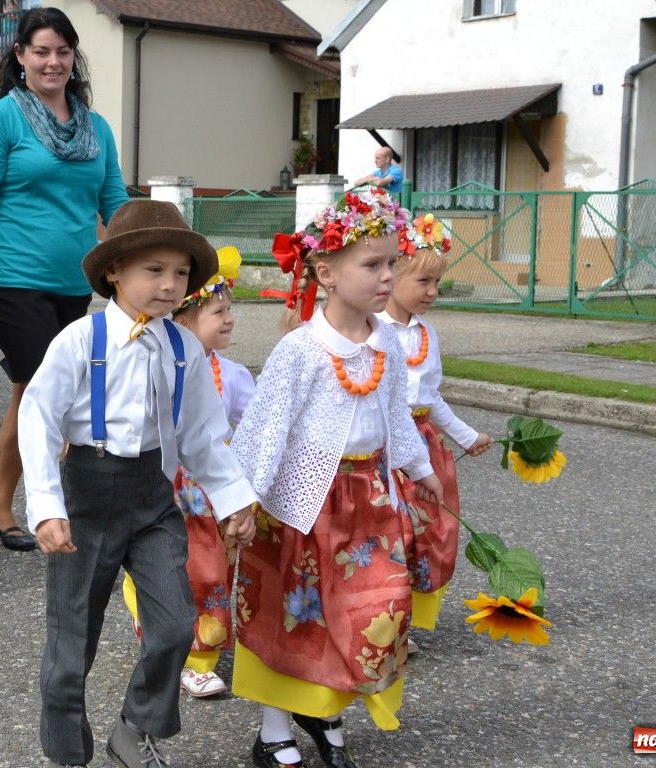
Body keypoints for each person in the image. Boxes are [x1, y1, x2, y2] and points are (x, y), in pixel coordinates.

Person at [18, 199, 259, 768]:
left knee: (177, 624)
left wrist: (233, 500)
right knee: (71, 642)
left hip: (152, 499)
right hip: (86, 497)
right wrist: (46, 505)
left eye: (180, 273)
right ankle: (67, 755)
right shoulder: (81, 340)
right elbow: (38, 416)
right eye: (154, 271)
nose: (170, 285)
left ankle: (135, 728)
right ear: (114, 272)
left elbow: (203, 432)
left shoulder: (183, 349)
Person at [228, 189, 444, 768]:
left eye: (391, 263)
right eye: (372, 264)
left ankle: (324, 710)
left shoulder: (388, 345)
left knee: (374, 608)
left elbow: (397, 415)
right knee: (294, 613)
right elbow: (266, 429)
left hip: (370, 499)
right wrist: (243, 501)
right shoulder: (300, 351)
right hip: (305, 502)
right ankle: (275, 729)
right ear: (326, 272)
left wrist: (420, 471)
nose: (386, 276)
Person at [0, 6, 128, 552]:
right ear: (20, 57)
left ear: (74, 58)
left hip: (76, 283)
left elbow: (113, 202)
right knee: (52, 394)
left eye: (63, 52)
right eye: (41, 51)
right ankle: (58, 508)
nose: (53, 62)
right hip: (13, 279)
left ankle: (1, 501)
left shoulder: (95, 128)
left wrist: (151, 256)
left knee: (33, 393)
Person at [120, 246, 255, 699]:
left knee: (213, 572)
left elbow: (253, 428)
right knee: (169, 568)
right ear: (183, 320)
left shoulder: (233, 375)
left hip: (212, 496)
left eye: (230, 310)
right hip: (168, 490)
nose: (229, 320)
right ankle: (161, 630)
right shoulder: (155, 362)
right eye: (218, 311)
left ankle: (201, 657)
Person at [377, 213, 494, 634]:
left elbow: (431, 397)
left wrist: (466, 434)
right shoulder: (373, 332)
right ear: (392, 277)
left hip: (425, 444)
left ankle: (410, 620)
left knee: (432, 532)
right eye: (422, 282)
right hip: (388, 446)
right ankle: (382, 619)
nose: (432, 292)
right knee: (392, 535)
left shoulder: (427, 334)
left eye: (436, 283)